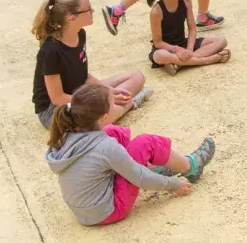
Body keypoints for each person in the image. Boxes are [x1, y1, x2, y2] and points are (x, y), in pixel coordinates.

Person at [45, 83, 216, 225]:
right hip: (108, 212)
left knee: (113, 132)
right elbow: (140, 178)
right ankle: (191, 167)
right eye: (113, 104)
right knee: (145, 142)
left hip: (83, 211)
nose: (116, 105)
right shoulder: (106, 147)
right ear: (104, 117)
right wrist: (173, 184)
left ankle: (149, 167)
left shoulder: (67, 133)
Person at [31, 0, 150, 129]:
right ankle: (130, 103)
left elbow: (83, 76)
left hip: (79, 92)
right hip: (54, 109)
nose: (93, 11)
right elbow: (57, 98)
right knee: (100, 120)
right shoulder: (51, 51)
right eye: (88, 9)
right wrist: (104, 99)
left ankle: (115, 105)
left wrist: (109, 91)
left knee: (137, 77)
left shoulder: (80, 34)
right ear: (71, 17)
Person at [146, 0, 230, 76]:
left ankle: (179, 64)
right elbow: (158, 42)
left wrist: (189, 50)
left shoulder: (186, 0)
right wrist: (177, 50)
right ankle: (208, 60)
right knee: (159, 56)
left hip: (184, 44)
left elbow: (192, 28)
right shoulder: (156, 11)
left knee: (221, 41)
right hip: (167, 49)